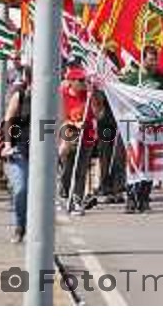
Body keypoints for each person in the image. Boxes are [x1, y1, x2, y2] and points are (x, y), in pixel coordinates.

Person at [120, 45, 163, 213]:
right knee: (134, 161)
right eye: (150, 59)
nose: (154, 62)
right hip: (134, 126)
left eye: (155, 59)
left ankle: (144, 197)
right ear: (142, 59)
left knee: (149, 163)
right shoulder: (131, 78)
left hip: (154, 127)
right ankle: (130, 197)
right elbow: (120, 98)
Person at [59, 66, 97, 215]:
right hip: (68, 133)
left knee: (81, 169)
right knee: (68, 168)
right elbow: (60, 117)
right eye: (80, 81)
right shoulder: (62, 95)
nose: (83, 83)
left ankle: (76, 200)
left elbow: (98, 114)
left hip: (87, 135)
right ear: (71, 82)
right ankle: (65, 192)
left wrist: (93, 96)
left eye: (85, 80)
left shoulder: (88, 95)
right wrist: (74, 124)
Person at [2, 66, 32, 243]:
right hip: (19, 149)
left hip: (42, 152)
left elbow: (59, 123)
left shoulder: (52, 98)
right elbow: (9, 120)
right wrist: (7, 145)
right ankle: (20, 225)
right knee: (21, 188)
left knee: (39, 194)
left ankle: (34, 227)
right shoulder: (20, 96)